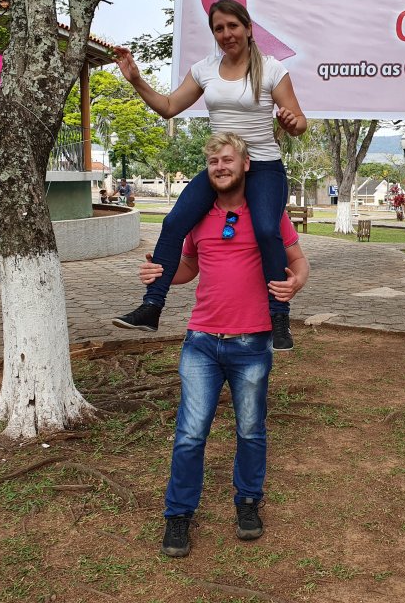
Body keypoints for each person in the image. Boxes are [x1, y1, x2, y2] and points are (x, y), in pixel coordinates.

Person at [140, 133, 309, 558]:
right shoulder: (198, 217)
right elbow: (191, 267)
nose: (220, 166)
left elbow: (298, 261)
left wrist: (295, 284)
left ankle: (248, 503)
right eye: (213, 160)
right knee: (189, 435)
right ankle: (178, 515)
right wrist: (159, 276)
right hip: (201, 343)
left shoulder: (267, 213)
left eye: (227, 159)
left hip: (252, 343)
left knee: (250, 431)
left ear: (246, 164)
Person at [111, 0, 308, 351]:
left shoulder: (272, 69)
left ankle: (279, 316)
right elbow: (170, 107)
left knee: (266, 229)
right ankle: (152, 306)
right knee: (173, 224)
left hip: (262, 165)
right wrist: (137, 81)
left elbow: (298, 120)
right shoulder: (205, 69)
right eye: (219, 28)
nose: (226, 34)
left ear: (248, 29)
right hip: (222, 166)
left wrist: (291, 121)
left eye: (233, 26)